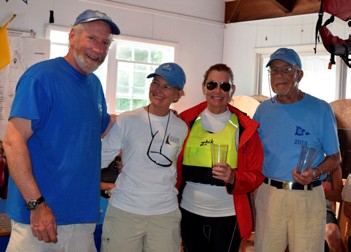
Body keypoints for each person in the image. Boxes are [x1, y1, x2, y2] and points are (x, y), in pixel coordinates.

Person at [2, 9, 120, 252]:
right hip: (40, 221)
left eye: (105, 43)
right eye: (91, 38)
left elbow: (104, 125)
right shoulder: (41, 77)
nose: (98, 49)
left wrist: (151, 114)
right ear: (72, 37)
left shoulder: (94, 85)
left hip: (82, 219)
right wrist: (36, 205)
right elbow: (13, 142)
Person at [253, 48, 342, 252]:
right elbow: (251, 152)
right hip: (270, 195)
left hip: (307, 197)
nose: (279, 75)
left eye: (286, 69)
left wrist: (316, 172)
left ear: (299, 74)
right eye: (274, 70)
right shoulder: (263, 110)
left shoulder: (320, 109)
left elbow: (335, 158)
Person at [100, 62, 188, 252]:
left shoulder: (181, 128)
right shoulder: (127, 120)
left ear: (178, 94)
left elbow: (170, 167)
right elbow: (100, 157)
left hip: (164, 213)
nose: (158, 90)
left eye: (167, 86)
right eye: (155, 83)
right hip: (125, 210)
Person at [177, 63, 264, 252]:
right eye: (212, 85)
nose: (218, 91)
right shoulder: (185, 121)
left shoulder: (246, 129)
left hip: (228, 216)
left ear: (232, 90)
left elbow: (256, 175)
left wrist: (234, 177)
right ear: (203, 87)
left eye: (225, 86)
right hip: (189, 213)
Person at [323, 166, 344, 252]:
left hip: (324, 209)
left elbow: (338, 196)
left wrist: (316, 190)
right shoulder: (297, 159)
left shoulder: (333, 163)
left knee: (333, 235)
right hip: (299, 207)